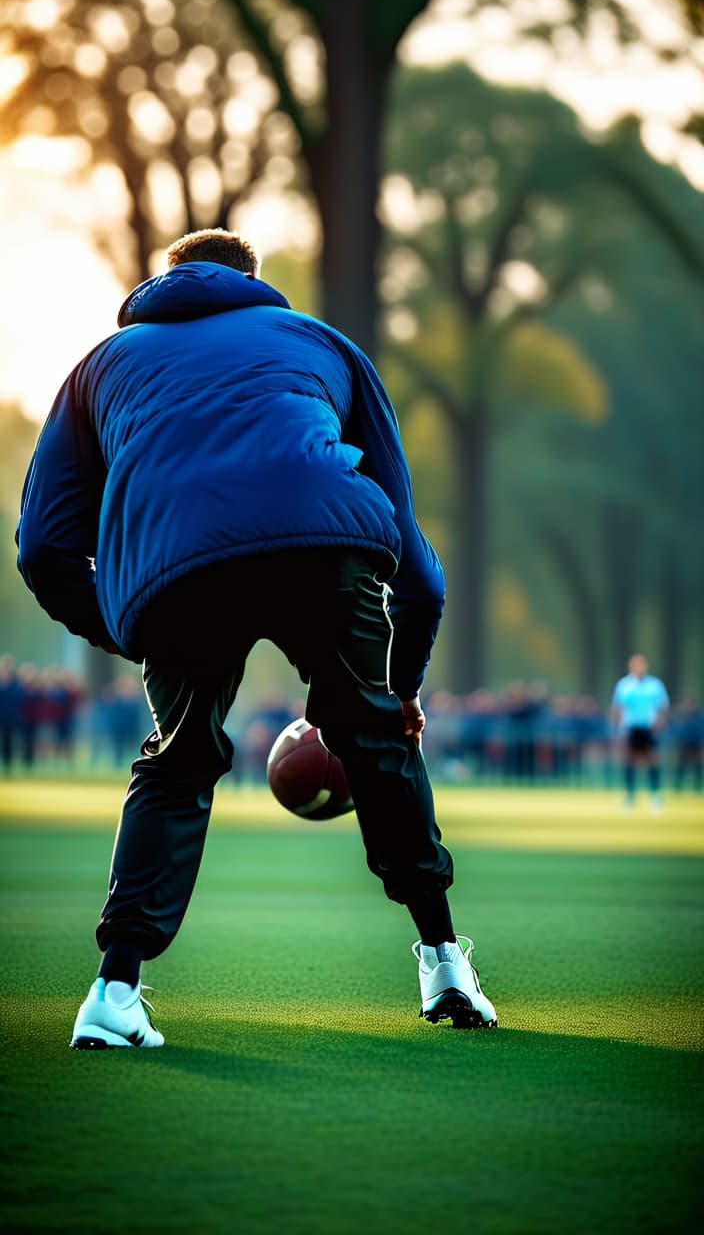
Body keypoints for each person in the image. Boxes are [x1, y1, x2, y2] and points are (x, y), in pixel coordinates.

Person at [16, 228, 496, 1049]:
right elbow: (420, 567)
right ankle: (445, 960)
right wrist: (399, 695)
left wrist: (124, 631)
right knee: (376, 744)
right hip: (328, 542)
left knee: (178, 761)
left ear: (165, 281)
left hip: (176, 568)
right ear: (254, 281)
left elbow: (41, 547)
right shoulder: (321, 343)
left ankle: (113, 992)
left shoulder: (98, 366)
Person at [611, 654, 669, 809]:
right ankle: (630, 796)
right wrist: (617, 729)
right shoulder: (624, 685)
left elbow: (662, 707)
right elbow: (617, 708)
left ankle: (655, 795)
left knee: (652, 760)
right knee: (629, 761)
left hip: (649, 728)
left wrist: (660, 722)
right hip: (630, 727)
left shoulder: (654, 685)